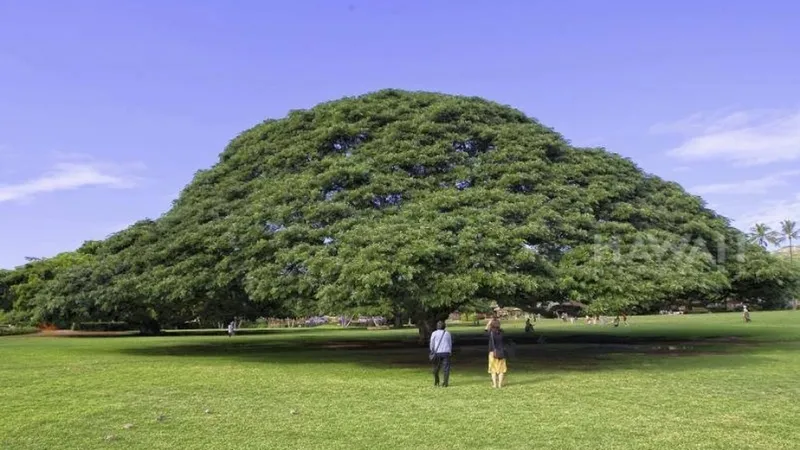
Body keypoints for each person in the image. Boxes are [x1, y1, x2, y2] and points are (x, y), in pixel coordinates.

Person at [429, 321, 453, 387]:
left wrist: (432, 350)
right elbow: (450, 343)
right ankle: (445, 383)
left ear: (437, 326)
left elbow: (432, 343)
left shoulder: (434, 333)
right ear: (444, 326)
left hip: (437, 353)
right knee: (446, 368)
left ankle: (437, 381)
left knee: (435, 368)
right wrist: (450, 351)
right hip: (446, 352)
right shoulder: (447, 333)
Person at [487, 319, 507, 388]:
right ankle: (500, 384)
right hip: (501, 352)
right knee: (501, 370)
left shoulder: (491, 333)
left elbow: (485, 331)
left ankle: (495, 384)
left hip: (493, 353)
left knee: (493, 370)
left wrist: (488, 323)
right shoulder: (502, 332)